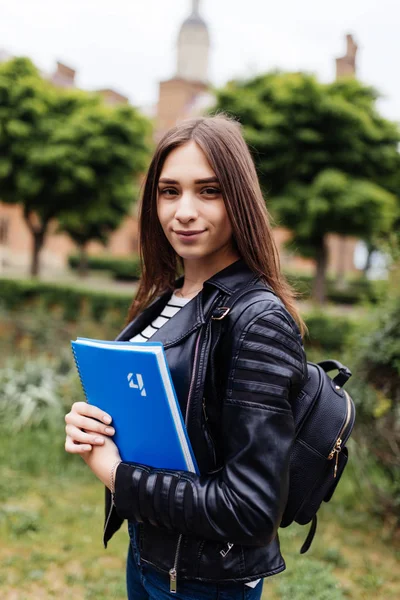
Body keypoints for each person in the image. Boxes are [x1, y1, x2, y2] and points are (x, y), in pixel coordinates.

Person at [65, 114, 307, 600]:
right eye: (169, 191)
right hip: (154, 551)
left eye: (209, 191)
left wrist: (116, 474)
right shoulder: (170, 296)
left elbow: (251, 510)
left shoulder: (257, 319)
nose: (184, 211)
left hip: (207, 581)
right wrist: (92, 425)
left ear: (239, 198)